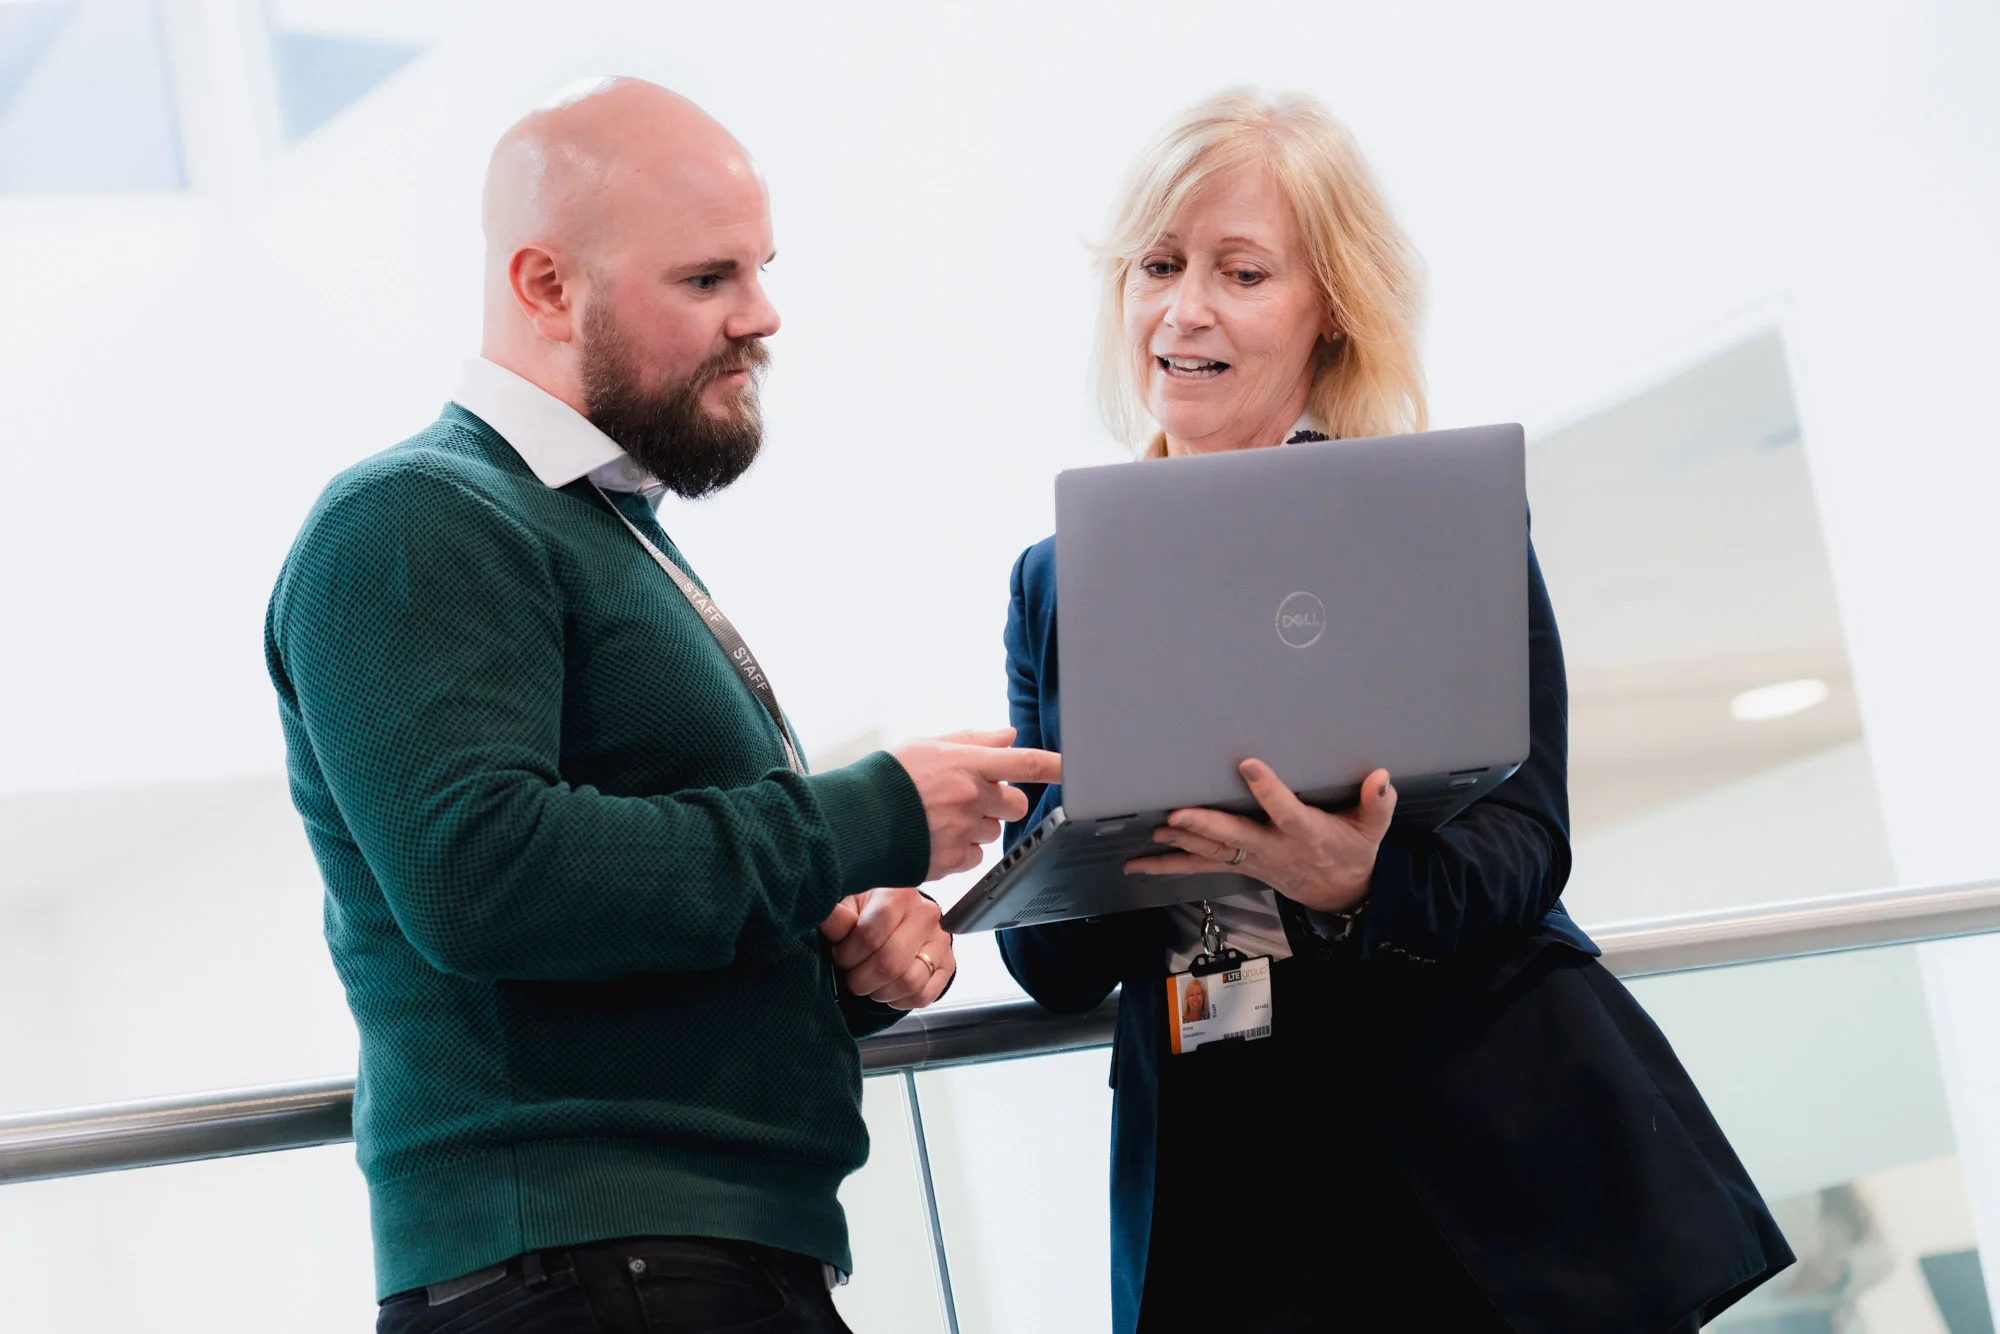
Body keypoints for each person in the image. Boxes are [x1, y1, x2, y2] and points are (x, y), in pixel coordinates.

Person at [264, 78, 1059, 1334]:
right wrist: (866, 817)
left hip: (676, 1262)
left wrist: (838, 952)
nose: (763, 315)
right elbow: (486, 876)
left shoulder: (592, 529)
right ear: (543, 287)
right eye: (706, 280)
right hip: (589, 1273)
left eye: (760, 268)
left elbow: (620, 924)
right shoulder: (414, 520)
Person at [997, 90, 1794, 1334]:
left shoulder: (1433, 521)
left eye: (1240, 271)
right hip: (1230, 1186)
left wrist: (1350, 883)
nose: (1181, 308)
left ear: (1329, 311)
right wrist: (1095, 818)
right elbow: (1044, 957)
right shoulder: (1056, 579)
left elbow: (1523, 842)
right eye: (1156, 265)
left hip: (1476, 1170)